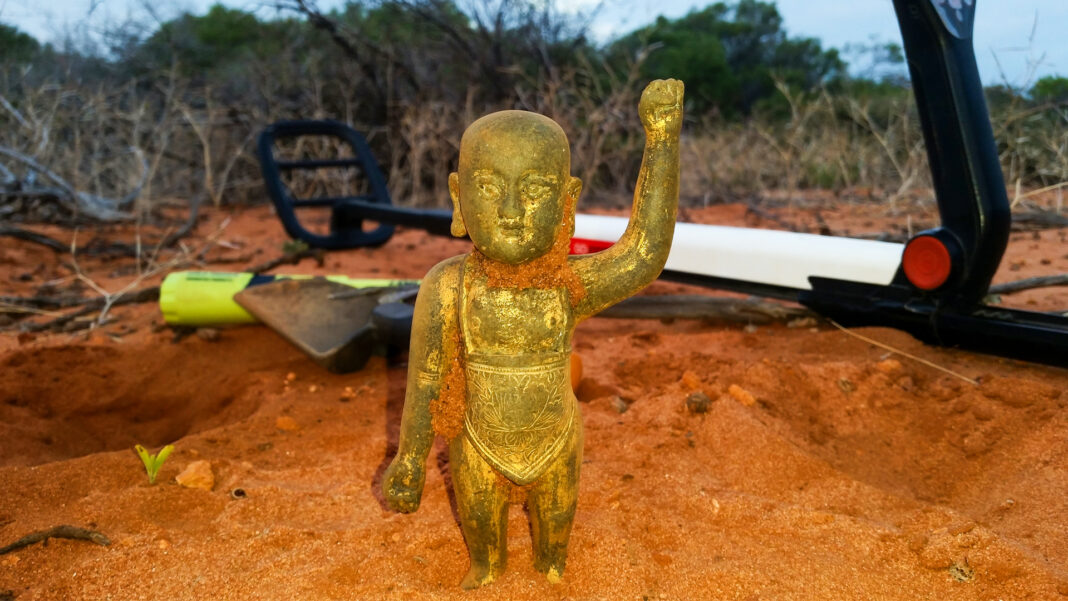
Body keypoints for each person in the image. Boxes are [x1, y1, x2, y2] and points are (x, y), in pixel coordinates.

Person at [383, 79, 684, 589]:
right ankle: (487, 568)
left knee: (553, 561)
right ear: (458, 198)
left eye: (536, 189)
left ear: (567, 202)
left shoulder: (566, 283)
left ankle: (551, 569)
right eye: (489, 186)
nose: (510, 210)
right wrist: (409, 457)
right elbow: (427, 380)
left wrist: (662, 139)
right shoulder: (449, 286)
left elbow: (643, 252)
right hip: (476, 444)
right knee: (485, 560)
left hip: (557, 441)